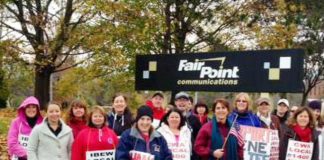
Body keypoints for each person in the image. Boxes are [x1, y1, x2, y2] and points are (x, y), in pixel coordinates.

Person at [174, 92, 201, 159]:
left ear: (188, 103)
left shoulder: (194, 119)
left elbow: (199, 140)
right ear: (175, 102)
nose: (182, 102)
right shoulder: (168, 118)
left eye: (184, 100)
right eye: (179, 100)